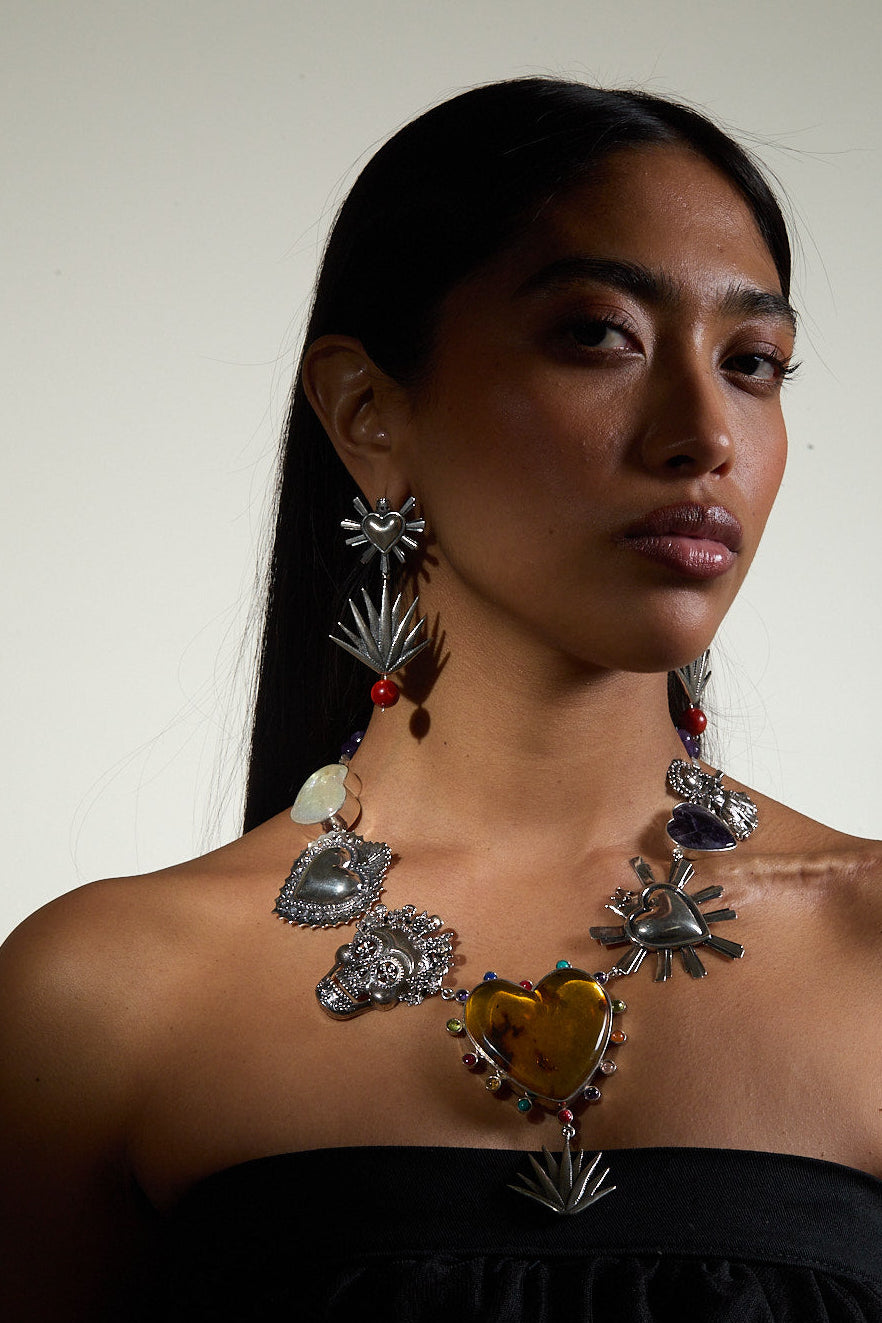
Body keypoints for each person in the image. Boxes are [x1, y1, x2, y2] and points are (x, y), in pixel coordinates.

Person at [2, 77, 880, 1322]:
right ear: (368, 412)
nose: (705, 434)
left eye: (753, 363)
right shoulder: (100, 1002)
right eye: (600, 336)